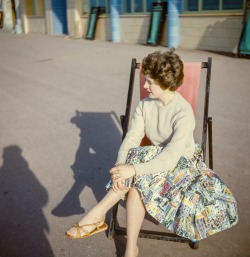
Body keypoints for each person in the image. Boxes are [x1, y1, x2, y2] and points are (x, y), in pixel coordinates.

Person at [65, 50, 238, 257]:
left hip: (182, 168)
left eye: (149, 82)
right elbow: (131, 138)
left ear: (165, 82)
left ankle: (97, 215)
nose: (145, 86)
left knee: (137, 168)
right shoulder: (144, 105)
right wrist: (121, 167)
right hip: (155, 162)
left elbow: (170, 158)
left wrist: (132, 168)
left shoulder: (183, 113)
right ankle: (131, 249)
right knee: (136, 179)